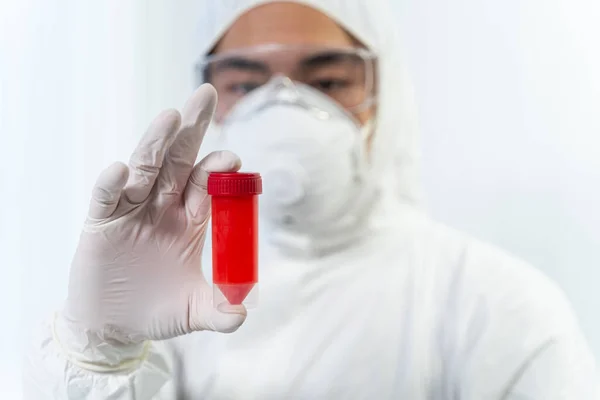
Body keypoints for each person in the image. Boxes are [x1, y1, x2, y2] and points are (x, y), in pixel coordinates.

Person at [24, 0, 598, 398]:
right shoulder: (178, 295)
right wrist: (103, 352)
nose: (286, 109)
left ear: (384, 92)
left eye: (326, 82)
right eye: (246, 85)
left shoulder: (493, 302)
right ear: (213, 96)